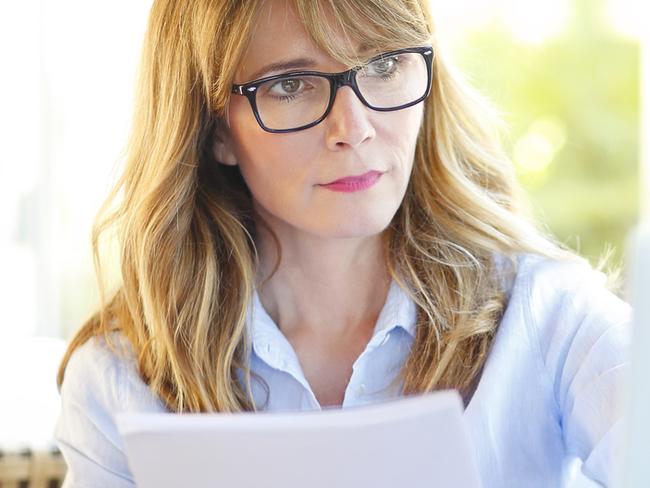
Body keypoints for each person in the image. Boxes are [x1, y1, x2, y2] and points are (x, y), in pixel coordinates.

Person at [54, 0, 631, 486]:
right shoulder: (122, 379)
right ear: (216, 131)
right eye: (290, 85)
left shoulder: (549, 315)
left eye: (383, 65)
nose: (352, 128)